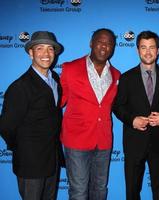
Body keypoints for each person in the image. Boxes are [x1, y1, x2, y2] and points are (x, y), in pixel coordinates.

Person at [113, 30, 159, 200]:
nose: (148, 52)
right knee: (133, 190)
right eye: (143, 47)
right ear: (137, 50)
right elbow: (118, 106)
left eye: (152, 47)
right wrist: (132, 120)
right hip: (134, 141)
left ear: (158, 51)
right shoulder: (126, 78)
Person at [0, 31, 63, 200]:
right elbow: (6, 127)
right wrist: (23, 148)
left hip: (52, 159)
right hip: (31, 163)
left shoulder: (55, 79)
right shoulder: (20, 87)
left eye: (50, 49)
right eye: (40, 48)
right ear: (31, 53)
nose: (46, 54)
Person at [60, 28, 120, 200]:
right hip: (76, 141)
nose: (104, 46)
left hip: (103, 141)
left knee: (100, 190)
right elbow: (57, 102)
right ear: (91, 43)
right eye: (100, 41)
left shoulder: (116, 75)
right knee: (79, 192)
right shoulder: (70, 68)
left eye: (109, 43)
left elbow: (117, 106)